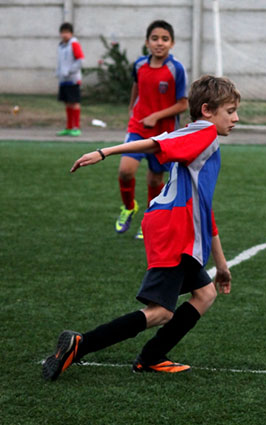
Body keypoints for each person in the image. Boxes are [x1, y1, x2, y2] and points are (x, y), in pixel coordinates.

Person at [42, 75, 240, 381]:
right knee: (161, 312)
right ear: (207, 110)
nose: (236, 118)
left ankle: (151, 358)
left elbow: (204, 208)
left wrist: (222, 264)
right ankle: (79, 345)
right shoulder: (203, 134)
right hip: (174, 231)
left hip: (180, 228)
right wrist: (105, 152)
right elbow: (157, 143)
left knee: (205, 294)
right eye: (230, 110)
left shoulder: (205, 140)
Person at [116, 20, 189, 240]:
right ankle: (129, 207)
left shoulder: (175, 69)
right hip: (138, 127)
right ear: (147, 42)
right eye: (155, 38)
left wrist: (156, 116)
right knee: (125, 170)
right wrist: (132, 108)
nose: (159, 43)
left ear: (172, 43)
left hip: (163, 132)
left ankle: (150, 218)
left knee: (155, 179)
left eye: (165, 39)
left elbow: (183, 103)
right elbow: (137, 86)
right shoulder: (139, 65)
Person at [56, 22, 84, 137]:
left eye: (67, 32)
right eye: (62, 32)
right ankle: (68, 127)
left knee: (74, 103)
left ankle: (76, 127)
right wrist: (59, 72)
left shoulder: (74, 44)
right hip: (63, 79)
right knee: (67, 103)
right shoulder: (61, 45)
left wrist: (70, 71)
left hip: (73, 79)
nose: (64, 35)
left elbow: (80, 60)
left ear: (71, 33)